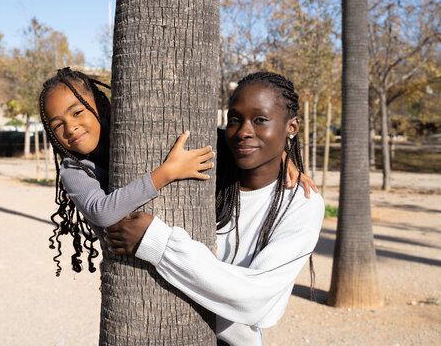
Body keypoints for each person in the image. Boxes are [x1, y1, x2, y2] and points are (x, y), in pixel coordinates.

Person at [104, 71, 325, 345]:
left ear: (291, 127)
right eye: (235, 119)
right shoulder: (211, 166)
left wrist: (157, 243)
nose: (243, 131)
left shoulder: (302, 203)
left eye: (260, 120)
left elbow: (255, 299)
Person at [38, 67, 215, 275]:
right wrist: (168, 172)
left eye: (77, 113)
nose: (70, 128)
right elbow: (101, 212)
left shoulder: (133, 135)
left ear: (102, 105)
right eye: (58, 125)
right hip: (126, 274)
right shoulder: (73, 169)